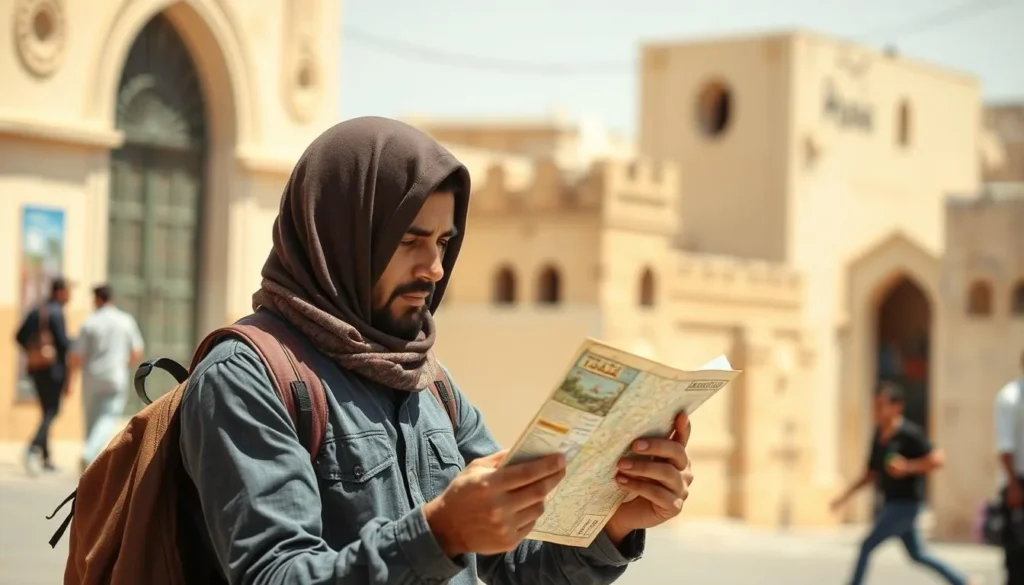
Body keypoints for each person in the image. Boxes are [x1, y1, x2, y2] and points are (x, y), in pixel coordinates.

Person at [178, 117, 694, 584]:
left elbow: (513, 567)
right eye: (410, 241)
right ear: (343, 235)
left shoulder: (429, 381)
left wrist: (618, 521)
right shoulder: (246, 377)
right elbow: (275, 576)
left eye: (444, 243)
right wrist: (439, 534)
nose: (434, 268)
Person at [831, 381, 974, 585]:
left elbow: (938, 459)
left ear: (897, 406)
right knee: (917, 554)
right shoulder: (878, 435)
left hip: (906, 505)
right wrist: (844, 497)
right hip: (890, 502)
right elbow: (870, 474)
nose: (877, 411)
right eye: (875, 405)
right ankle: (963, 581)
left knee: (866, 546)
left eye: (882, 405)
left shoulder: (909, 433)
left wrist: (908, 467)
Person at [68, 284, 145, 472]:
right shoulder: (125, 321)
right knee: (108, 417)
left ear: (97, 299)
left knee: (92, 419)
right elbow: (136, 351)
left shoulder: (89, 322)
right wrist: (124, 364)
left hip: (91, 376)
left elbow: (77, 355)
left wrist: (70, 379)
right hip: (115, 376)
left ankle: (89, 454)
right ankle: (90, 454)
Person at [15, 276, 73, 475]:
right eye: (68, 291)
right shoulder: (56, 312)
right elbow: (63, 344)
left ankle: (46, 458)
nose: (70, 296)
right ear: (59, 292)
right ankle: (32, 448)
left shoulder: (36, 310)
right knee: (52, 411)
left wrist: (33, 351)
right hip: (53, 370)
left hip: (37, 369)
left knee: (46, 410)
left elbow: (19, 336)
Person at [994, 349, 1024, 585]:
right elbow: (1005, 447)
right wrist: (1013, 485)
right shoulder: (1010, 396)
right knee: (1016, 556)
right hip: (1018, 484)